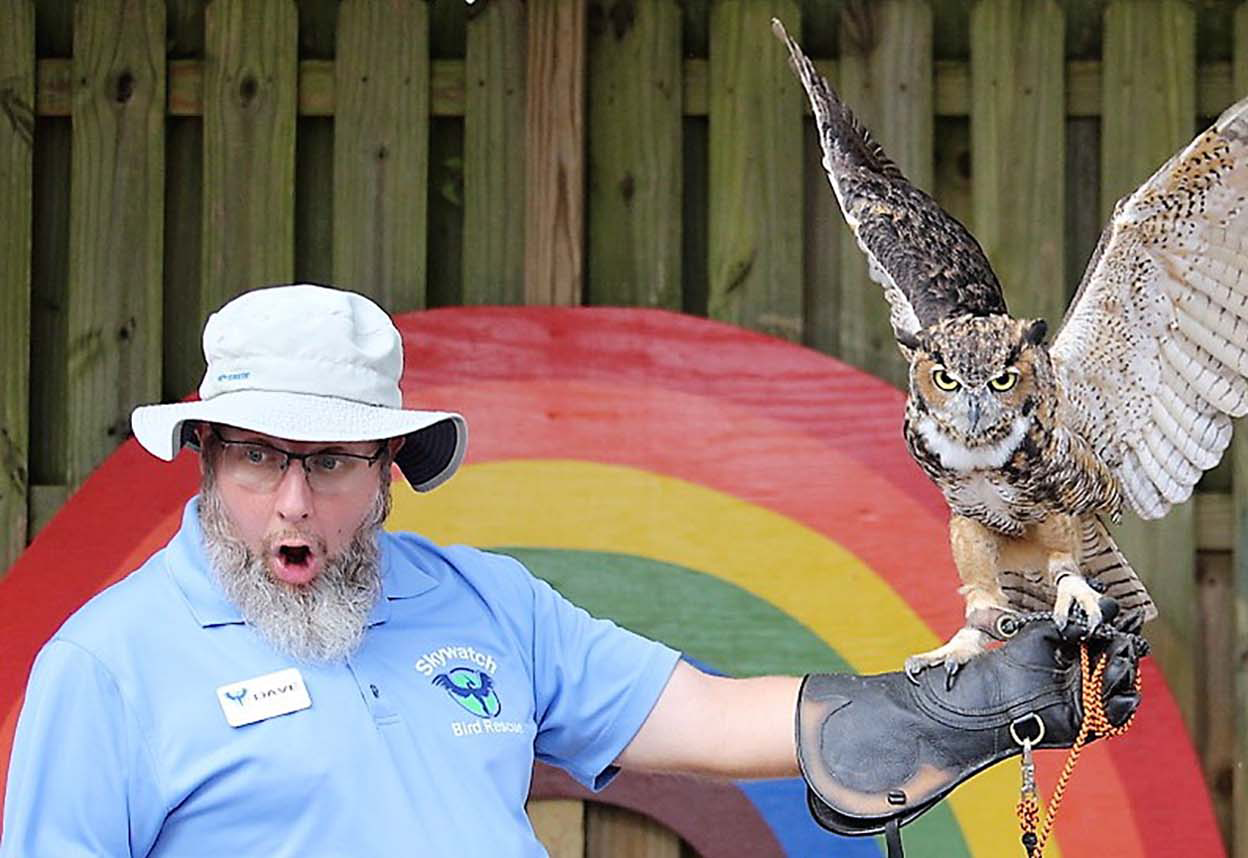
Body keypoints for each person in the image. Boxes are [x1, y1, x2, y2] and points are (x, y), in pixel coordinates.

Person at [0, 284, 1140, 856]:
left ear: (392, 466)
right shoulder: (105, 670)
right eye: (259, 459)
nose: (292, 503)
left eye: (333, 461)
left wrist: (955, 710)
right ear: (204, 455)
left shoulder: (481, 602)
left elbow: (700, 714)